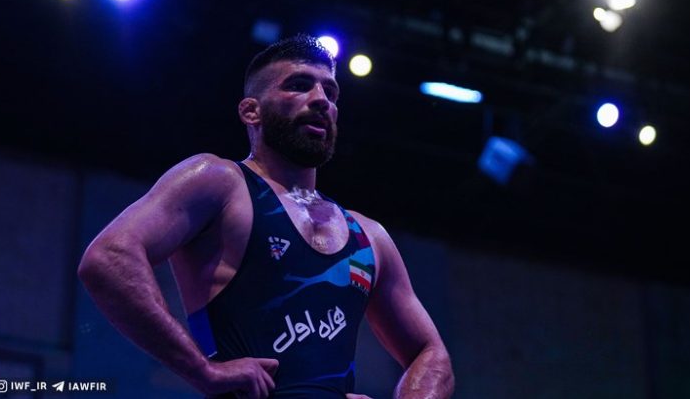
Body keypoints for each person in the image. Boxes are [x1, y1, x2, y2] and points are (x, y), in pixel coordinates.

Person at [77, 34, 454, 398]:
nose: (320, 100)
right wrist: (202, 370)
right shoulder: (219, 182)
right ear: (251, 111)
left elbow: (431, 354)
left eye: (330, 92)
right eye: (299, 85)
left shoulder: (368, 236)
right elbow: (108, 258)